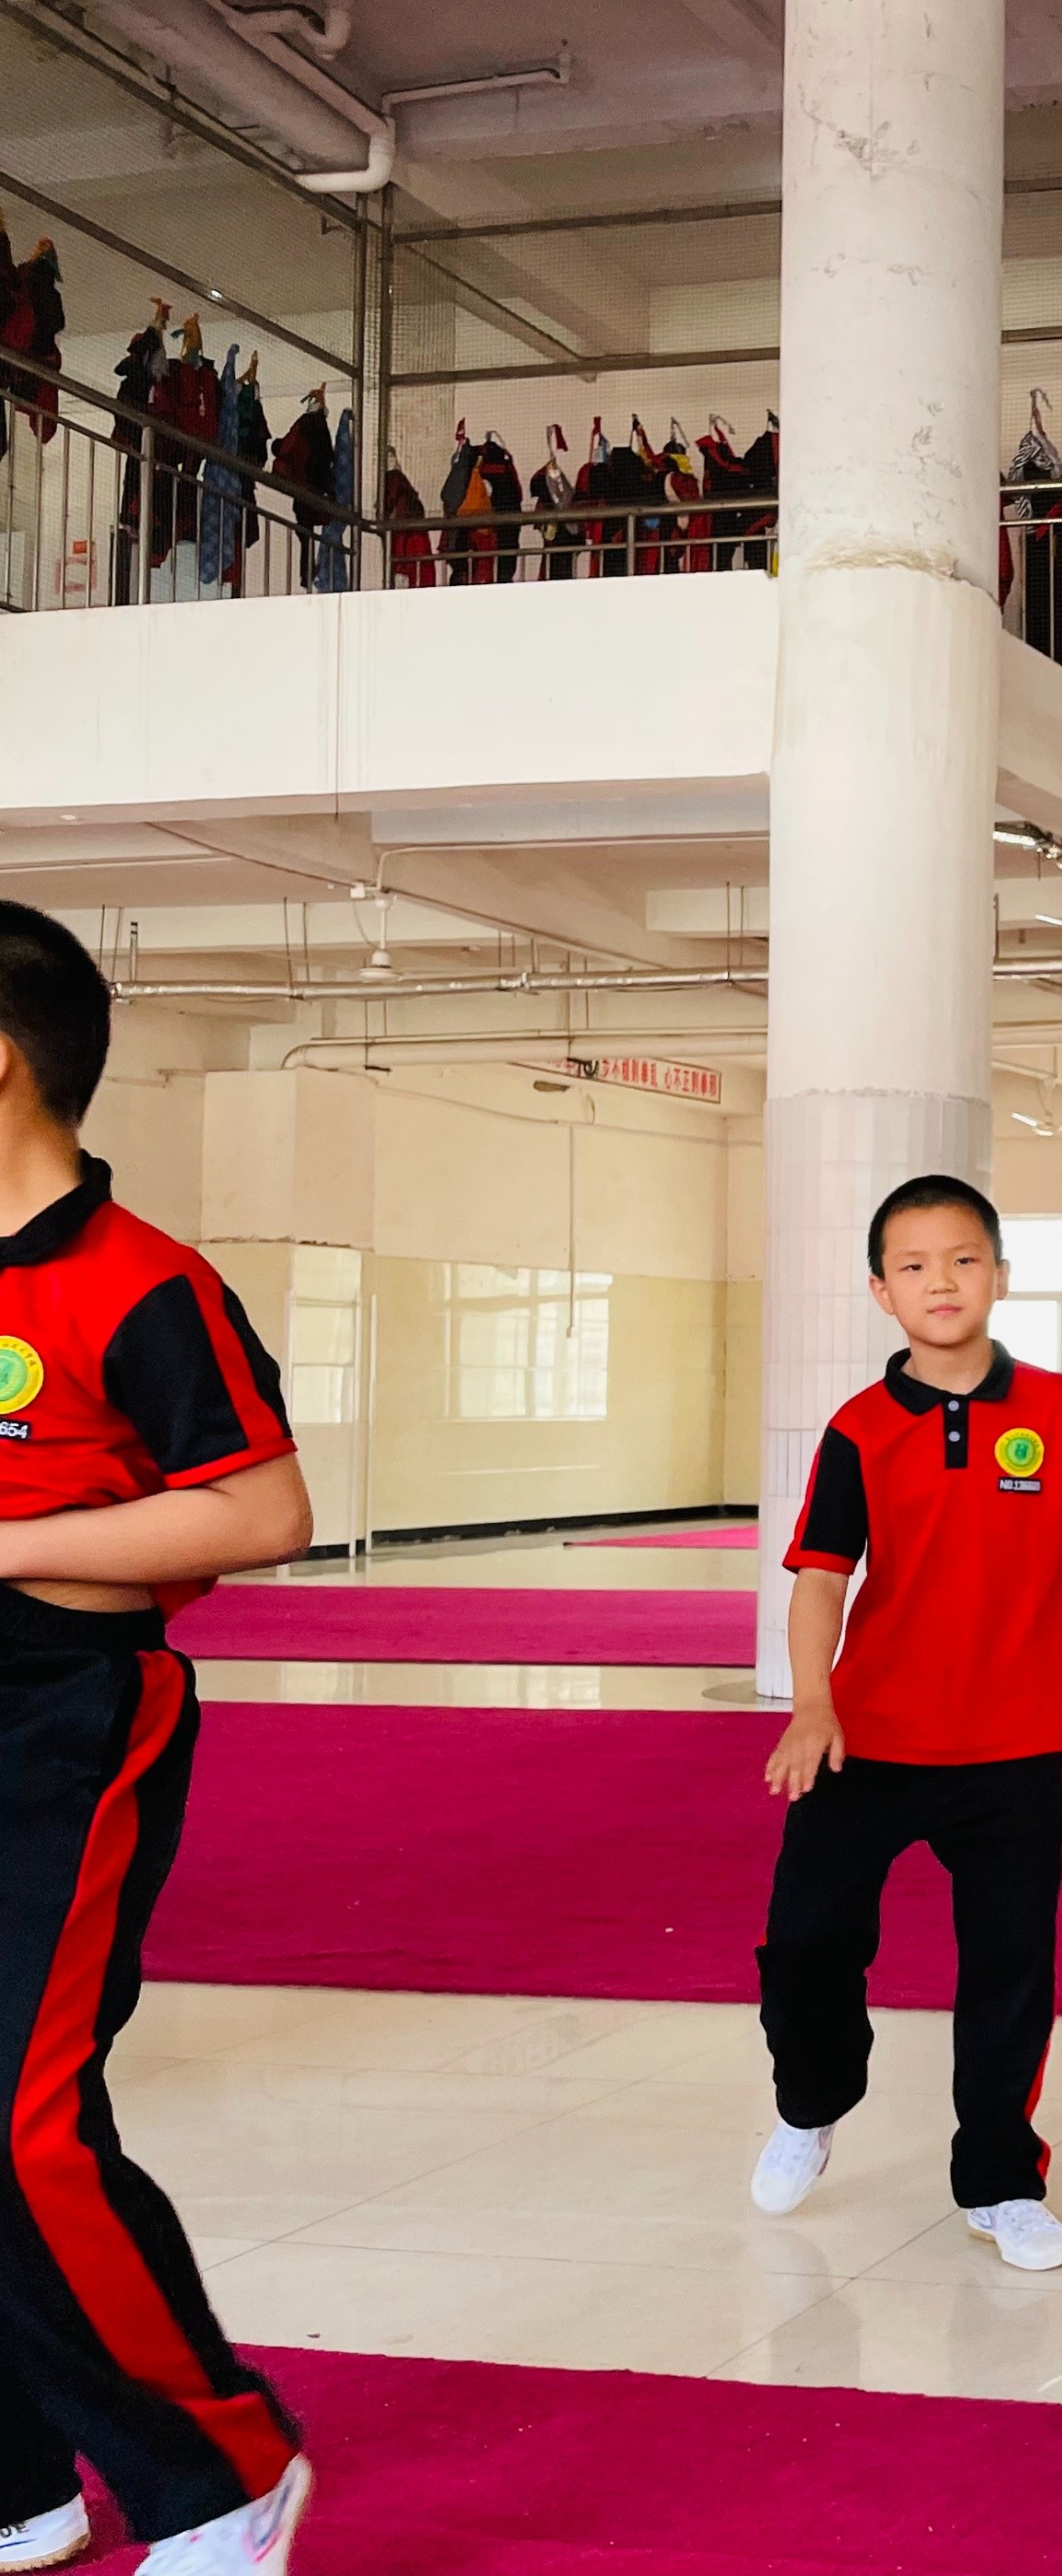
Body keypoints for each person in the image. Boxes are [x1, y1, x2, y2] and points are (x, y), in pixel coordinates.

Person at [0, 904, 322, 2576]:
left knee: (23, 2119)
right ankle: (23, 2472)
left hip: (64, 1721)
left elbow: (265, 1504)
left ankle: (226, 2468)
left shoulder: (142, 1284)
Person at [749, 1174, 1062, 2277]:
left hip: (1012, 1747)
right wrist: (813, 1698)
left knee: (1010, 1968)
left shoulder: (1054, 1409)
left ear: (999, 1276)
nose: (940, 1281)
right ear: (880, 1291)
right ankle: (810, 2103)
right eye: (913, 1265)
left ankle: (1001, 2177)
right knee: (808, 1942)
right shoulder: (861, 1429)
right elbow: (820, 1575)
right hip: (865, 1742)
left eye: (962, 1259)